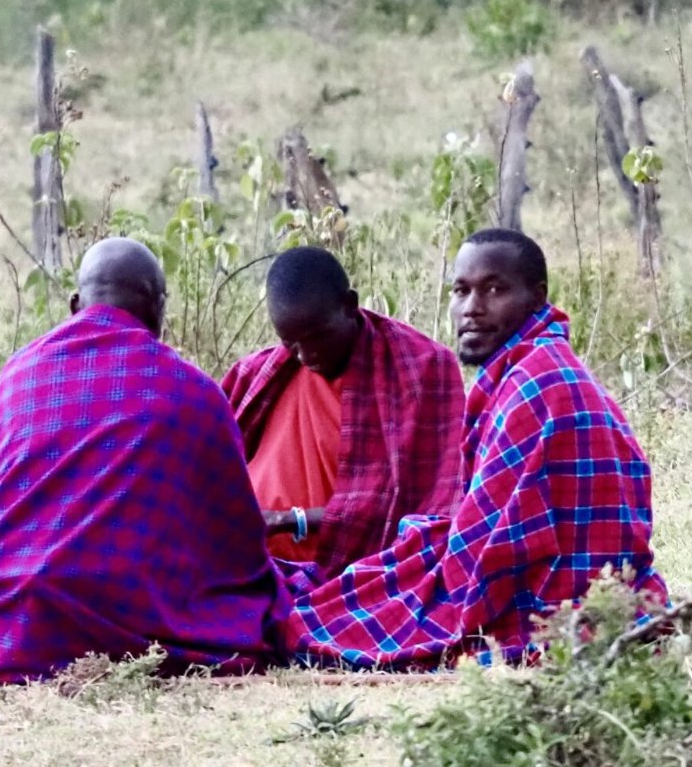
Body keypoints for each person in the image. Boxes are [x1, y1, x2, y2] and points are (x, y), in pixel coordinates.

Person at [0, 238, 292, 691]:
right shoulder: (193, 392)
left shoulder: (17, 377)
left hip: (15, 619)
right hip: (142, 619)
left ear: (75, 305)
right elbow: (235, 541)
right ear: (159, 307)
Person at [285, 227, 665, 668]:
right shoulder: (532, 366)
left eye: (494, 290)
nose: (471, 308)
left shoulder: (538, 384)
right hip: (594, 585)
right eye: (461, 291)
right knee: (379, 575)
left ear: (537, 296)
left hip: (556, 595)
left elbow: (483, 554)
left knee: (323, 623)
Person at [220, 246, 465, 574]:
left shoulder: (420, 369)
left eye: (317, 338)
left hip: (359, 573)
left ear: (350, 305)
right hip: (252, 563)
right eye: (290, 343)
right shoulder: (255, 375)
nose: (306, 355)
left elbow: (430, 506)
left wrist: (289, 520)